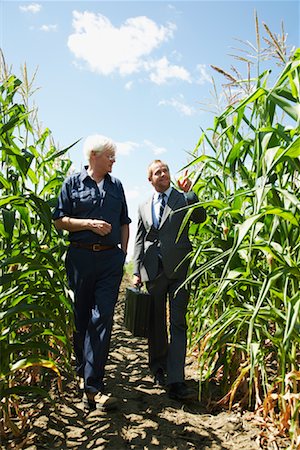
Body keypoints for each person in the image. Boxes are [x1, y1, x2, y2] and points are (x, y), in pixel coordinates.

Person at [53, 134, 131, 411]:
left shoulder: (116, 186)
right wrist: (88, 224)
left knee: (103, 317)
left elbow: (124, 221)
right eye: (110, 156)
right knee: (82, 317)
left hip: (110, 261)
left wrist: (122, 254)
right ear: (94, 156)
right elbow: (59, 220)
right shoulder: (72, 183)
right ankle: (81, 370)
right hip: (81, 258)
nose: (114, 160)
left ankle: (93, 386)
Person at [132, 159, 206, 402]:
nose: (163, 174)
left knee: (178, 323)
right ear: (150, 179)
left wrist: (190, 193)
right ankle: (158, 369)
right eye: (157, 172)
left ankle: (176, 379)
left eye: (165, 170)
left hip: (180, 269)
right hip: (153, 270)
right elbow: (140, 239)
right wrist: (136, 270)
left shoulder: (182, 197)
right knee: (156, 325)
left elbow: (199, 218)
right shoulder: (143, 205)